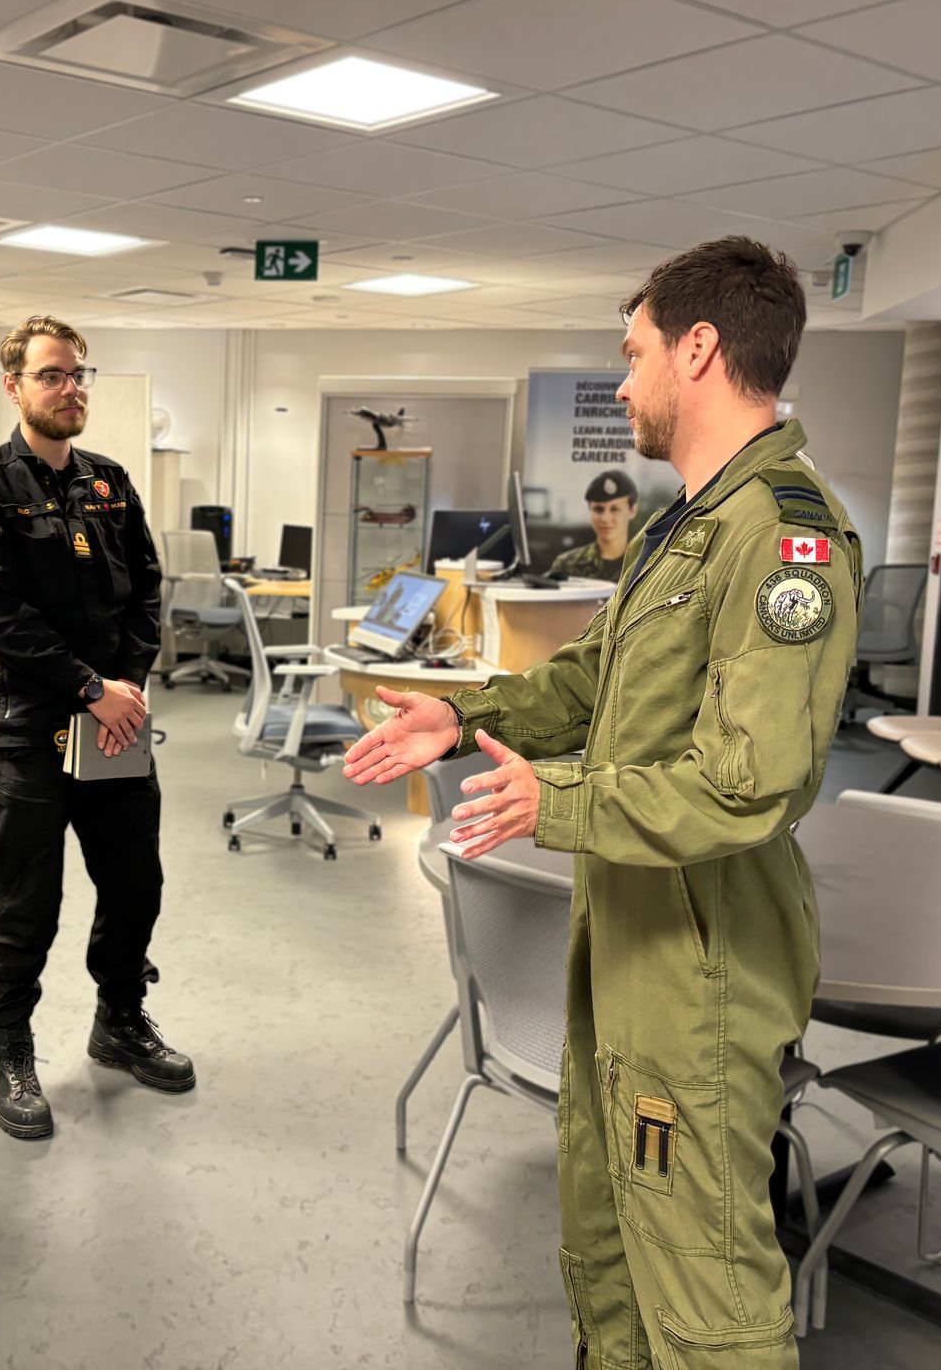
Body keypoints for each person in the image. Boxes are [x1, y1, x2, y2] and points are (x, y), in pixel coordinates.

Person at [344, 237, 860, 1369]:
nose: (622, 384)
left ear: (700, 347)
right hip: (631, 937)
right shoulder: (689, 521)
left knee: (707, 1300)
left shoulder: (784, 535)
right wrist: (467, 718)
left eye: (632, 356)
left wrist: (557, 800)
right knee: (613, 1247)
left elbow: (750, 781)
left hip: (702, 968)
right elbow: (595, 682)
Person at [0, 314, 193, 1140]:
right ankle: (10, 1047)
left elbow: (146, 595)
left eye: (80, 374)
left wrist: (125, 686)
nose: (71, 388)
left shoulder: (111, 483)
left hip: (115, 728)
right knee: (27, 897)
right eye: (53, 374)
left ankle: (119, 1019)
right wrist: (91, 687)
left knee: (134, 883)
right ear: (13, 385)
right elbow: (1, 615)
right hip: (34, 728)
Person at [549, 470, 638, 581]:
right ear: (589, 510)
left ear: (632, 511)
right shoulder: (566, 565)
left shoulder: (647, 565)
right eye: (598, 509)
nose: (605, 518)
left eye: (615, 509)